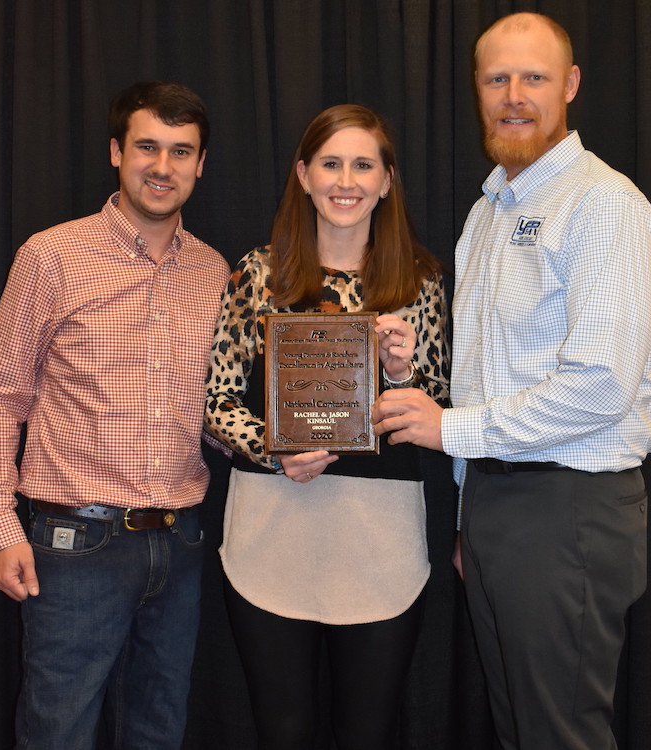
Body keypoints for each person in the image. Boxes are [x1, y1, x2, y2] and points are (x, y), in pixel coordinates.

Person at [371, 12, 651, 750]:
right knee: (522, 731)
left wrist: (450, 432)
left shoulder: (604, 206)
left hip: (568, 508)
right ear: (477, 89)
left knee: (560, 733)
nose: (514, 95)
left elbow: (600, 385)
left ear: (569, 85)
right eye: (497, 78)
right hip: (504, 507)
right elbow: (488, 376)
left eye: (534, 77)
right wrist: (475, 512)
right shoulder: (488, 214)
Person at [0, 81, 230, 749]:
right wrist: (1, 528)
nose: (162, 167)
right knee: (59, 730)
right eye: (146, 146)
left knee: (158, 730)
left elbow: (221, 405)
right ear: (116, 152)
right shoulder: (52, 257)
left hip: (182, 540)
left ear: (201, 164)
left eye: (180, 151)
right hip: (74, 546)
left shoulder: (215, 271)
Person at [204, 104, 449, 749]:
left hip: (379, 539)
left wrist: (400, 372)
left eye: (364, 164)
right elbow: (219, 399)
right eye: (332, 163)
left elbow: (441, 412)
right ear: (304, 175)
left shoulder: (419, 282)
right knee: (281, 732)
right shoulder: (258, 274)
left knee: (368, 733)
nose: (347, 180)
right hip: (273, 526)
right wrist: (270, 451)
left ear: (387, 181)